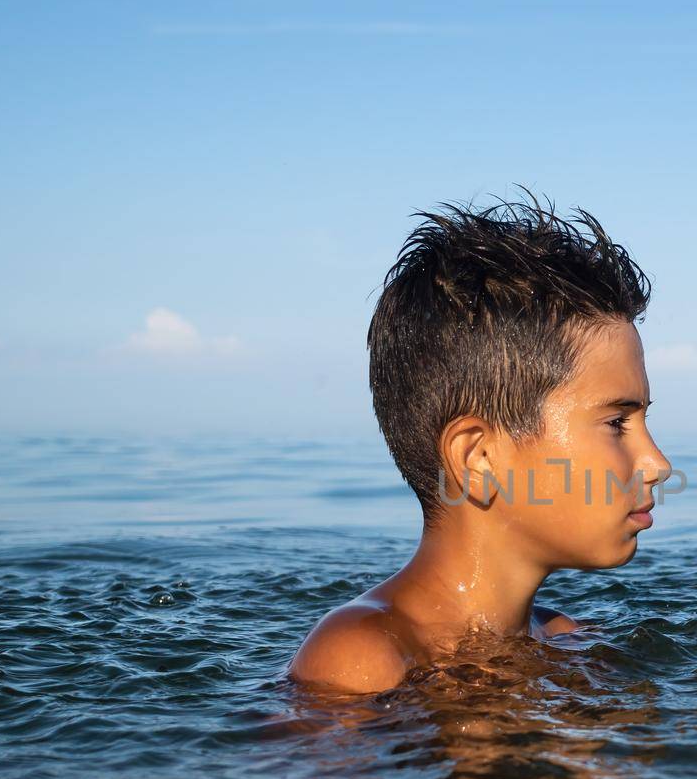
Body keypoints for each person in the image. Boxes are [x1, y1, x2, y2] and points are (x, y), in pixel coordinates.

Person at [287, 187, 672, 694]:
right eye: (616, 424)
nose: (657, 463)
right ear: (479, 457)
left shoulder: (565, 641)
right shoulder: (362, 656)